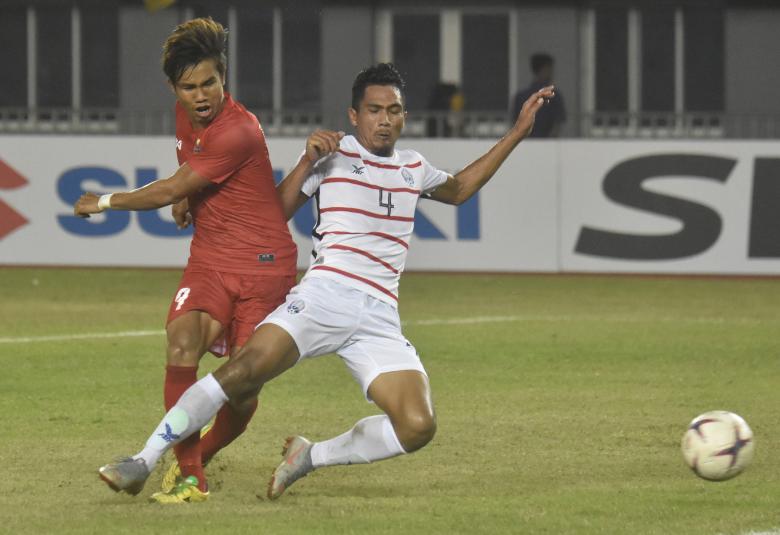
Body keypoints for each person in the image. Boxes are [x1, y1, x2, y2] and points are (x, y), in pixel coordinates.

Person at [96, 63, 555, 500]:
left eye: (393, 111)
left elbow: (461, 189)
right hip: (323, 297)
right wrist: (305, 162)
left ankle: (310, 456)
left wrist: (517, 132)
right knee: (240, 374)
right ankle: (143, 460)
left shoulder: (414, 167)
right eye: (374, 110)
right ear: (354, 115)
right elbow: (272, 216)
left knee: (417, 425)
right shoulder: (333, 155)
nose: (384, 120)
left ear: (404, 117)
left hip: (379, 316)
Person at [74, 18, 298, 503]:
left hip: (264, 266)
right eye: (189, 87)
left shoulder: (238, 129)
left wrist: (105, 201)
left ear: (224, 79)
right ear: (174, 89)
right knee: (181, 345)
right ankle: (191, 475)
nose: (201, 97)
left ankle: (204, 452)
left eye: (209, 84)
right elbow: (188, 175)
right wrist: (189, 198)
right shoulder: (185, 116)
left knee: (241, 387)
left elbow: (169, 187)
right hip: (211, 259)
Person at [511, 53, 565, 138]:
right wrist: (549, 141)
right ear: (545, 69)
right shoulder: (554, 96)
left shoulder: (521, 96)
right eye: (550, 69)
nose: (552, 73)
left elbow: (515, 124)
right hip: (547, 143)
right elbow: (557, 125)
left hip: (525, 142)